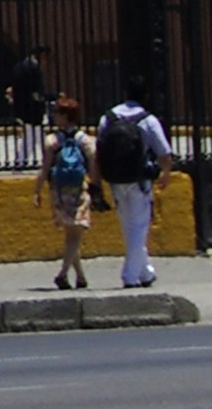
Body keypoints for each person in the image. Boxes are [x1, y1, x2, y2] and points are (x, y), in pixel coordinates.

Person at [98, 92, 171, 289]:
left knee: (128, 226)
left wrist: (96, 181)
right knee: (139, 227)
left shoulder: (108, 118)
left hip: (115, 179)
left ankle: (145, 272)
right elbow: (164, 152)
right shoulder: (148, 120)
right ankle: (130, 276)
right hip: (139, 180)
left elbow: (99, 151)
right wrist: (166, 173)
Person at [38, 106, 94, 292]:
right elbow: (93, 166)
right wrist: (97, 186)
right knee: (75, 235)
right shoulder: (85, 140)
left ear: (65, 116)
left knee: (70, 234)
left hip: (59, 191)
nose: (54, 116)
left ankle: (80, 276)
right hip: (79, 190)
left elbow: (45, 168)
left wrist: (36, 190)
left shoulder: (52, 141)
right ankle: (62, 275)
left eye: (57, 113)